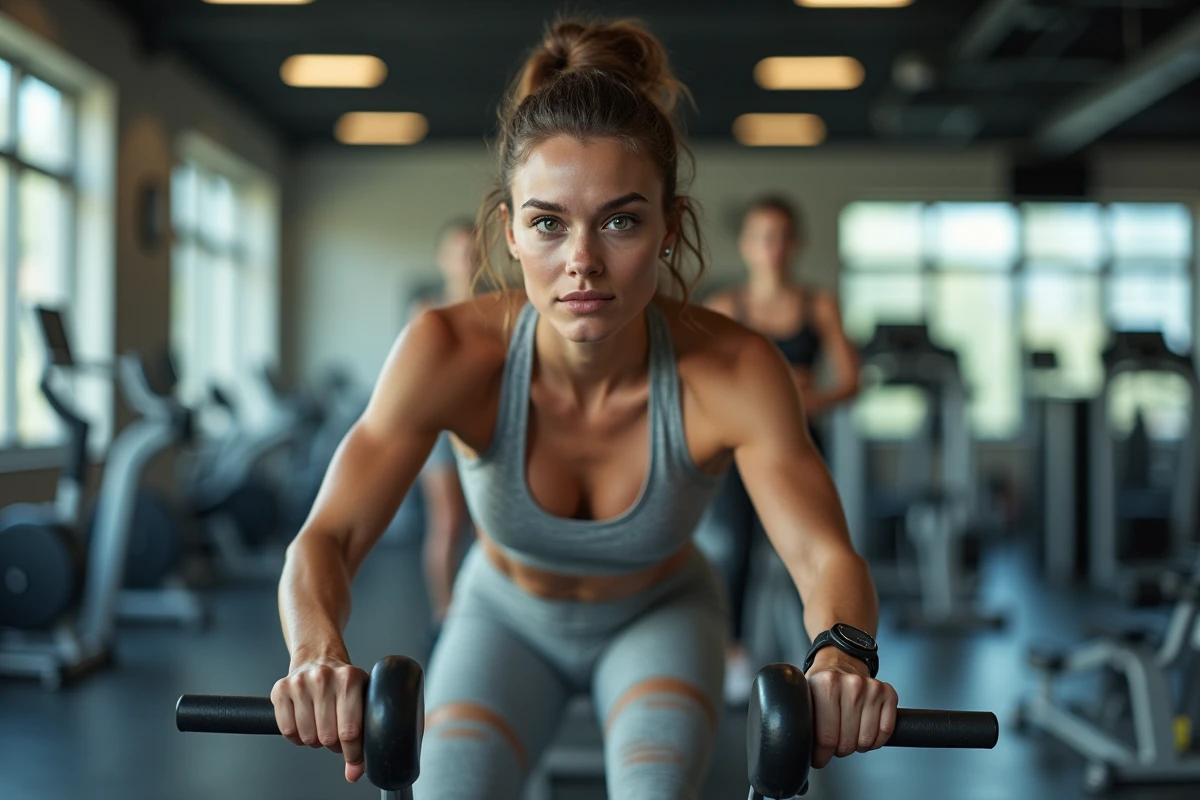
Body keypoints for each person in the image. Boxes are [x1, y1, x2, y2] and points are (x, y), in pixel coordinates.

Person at [271, 17, 896, 800]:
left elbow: (823, 555)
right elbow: (325, 539)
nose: (583, 263)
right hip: (500, 616)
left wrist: (840, 654)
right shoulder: (448, 351)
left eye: (622, 220)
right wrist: (316, 653)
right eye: (547, 223)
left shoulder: (735, 368)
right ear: (510, 230)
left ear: (671, 229)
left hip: (660, 616)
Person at [701, 197, 862, 704]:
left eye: (781, 236)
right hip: (743, 450)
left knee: (813, 558)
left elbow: (852, 380)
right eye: (762, 236)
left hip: (804, 444)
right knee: (739, 552)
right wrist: (770, 392)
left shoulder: (818, 305)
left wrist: (805, 396)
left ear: (795, 244)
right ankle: (734, 656)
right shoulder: (726, 306)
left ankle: (821, 658)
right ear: (747, 245)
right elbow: (705, 383)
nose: (772, 247)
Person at [408, 220, 477, 626]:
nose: (465, 261)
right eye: (458, 252)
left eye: (472, 252)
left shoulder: (499, 307)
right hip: (440, 430)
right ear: (443, 259)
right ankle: (445, 615)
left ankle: (484, 614)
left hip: (488, 429)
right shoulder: (427, 312)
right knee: (448, 523)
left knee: (488, 530)